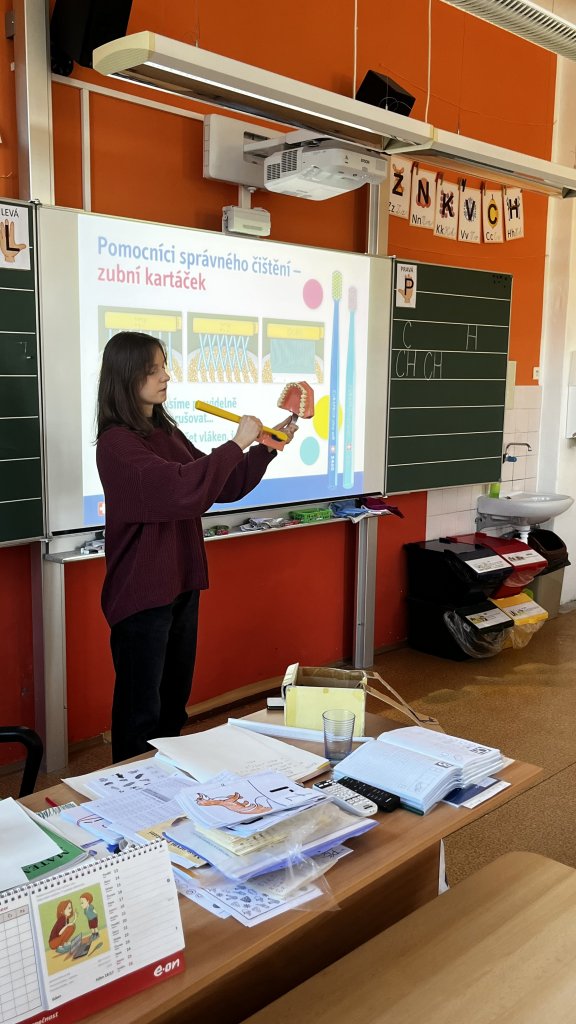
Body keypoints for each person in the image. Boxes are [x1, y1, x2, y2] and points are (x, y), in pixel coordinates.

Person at [96, 331, 297, 763]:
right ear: (127, 376)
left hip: (181, 584)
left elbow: (220, 485)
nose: (165, 376)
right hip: (142, 593)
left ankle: (167, 785)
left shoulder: (164, 430)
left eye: (164, 366)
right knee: (140, 715)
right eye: (153, 369)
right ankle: (130, 790)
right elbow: (179, 490)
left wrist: (264, 448)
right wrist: (237, 443)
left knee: (172, 707)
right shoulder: (117, 444)